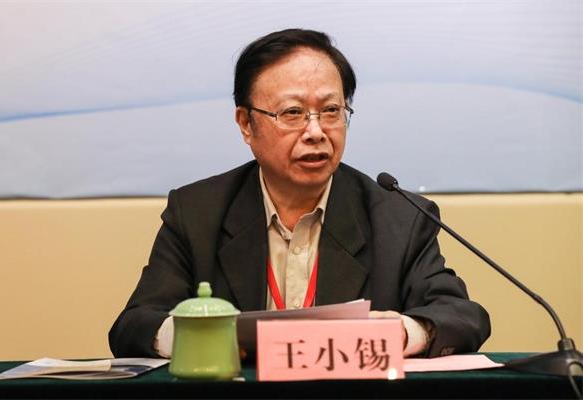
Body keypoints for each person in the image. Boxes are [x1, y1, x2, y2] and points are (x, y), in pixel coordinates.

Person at [109, 28, 490, 359]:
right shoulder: (197, 213)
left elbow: (462, 317)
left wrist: (403, 332)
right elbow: (134, 326)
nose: (316, 132)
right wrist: (201, 335)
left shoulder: (399, 218)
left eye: (331, 110)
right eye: (292, 113)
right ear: (245, 123)